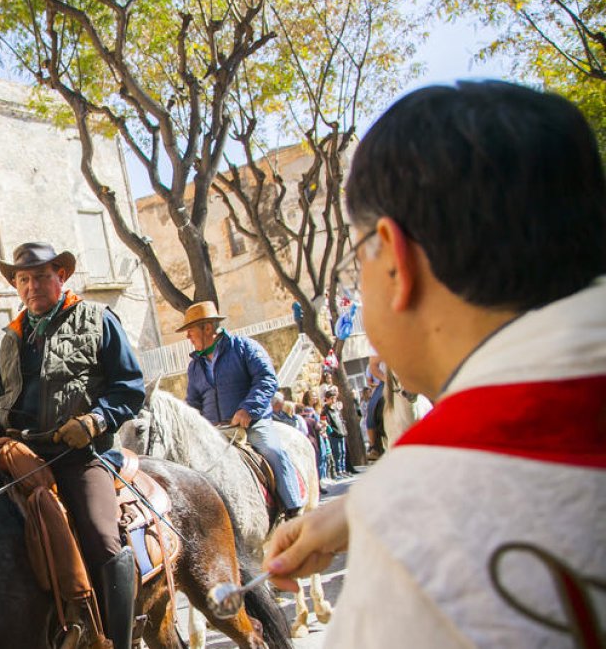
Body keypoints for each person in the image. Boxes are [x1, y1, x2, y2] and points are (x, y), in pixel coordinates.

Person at [263, 81, 606, 647]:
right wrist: (365, 506)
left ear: (395, 258)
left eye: (356, 257)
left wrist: (390, 507)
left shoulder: (419, 520)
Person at [0, 242, 145, 648]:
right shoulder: (12, 338)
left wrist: (95, 420)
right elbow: (1, 397)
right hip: (21, 455)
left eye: (40, 277)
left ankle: (116, 639)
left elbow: (130, 386)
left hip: (81, 456)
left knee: (102, 537)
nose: (31, 286)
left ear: (61, 276)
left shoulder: (97, 319)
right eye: (23, 279)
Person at [180, 301, 306, 518]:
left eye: (190, 331)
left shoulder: (245, 347)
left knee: (272, 451)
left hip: (252, 424)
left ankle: (294, 510)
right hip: (215, 431)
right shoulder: (194, 366)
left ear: (207, 328)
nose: (187, 337)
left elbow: (266, 379)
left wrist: (248, 409)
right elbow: (193, 403)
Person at [320, 387, 346, 478]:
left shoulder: (336, 409)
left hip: (341, 433)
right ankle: (338, 471)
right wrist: (331, 432)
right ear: (327, 399)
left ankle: (343, 469)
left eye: (334, 398)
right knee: (337, 453)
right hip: (334, 435)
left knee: (343, 452)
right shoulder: (325, 411)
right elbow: (326, 423)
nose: (334, 400)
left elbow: (341, 420)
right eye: (332, 398)